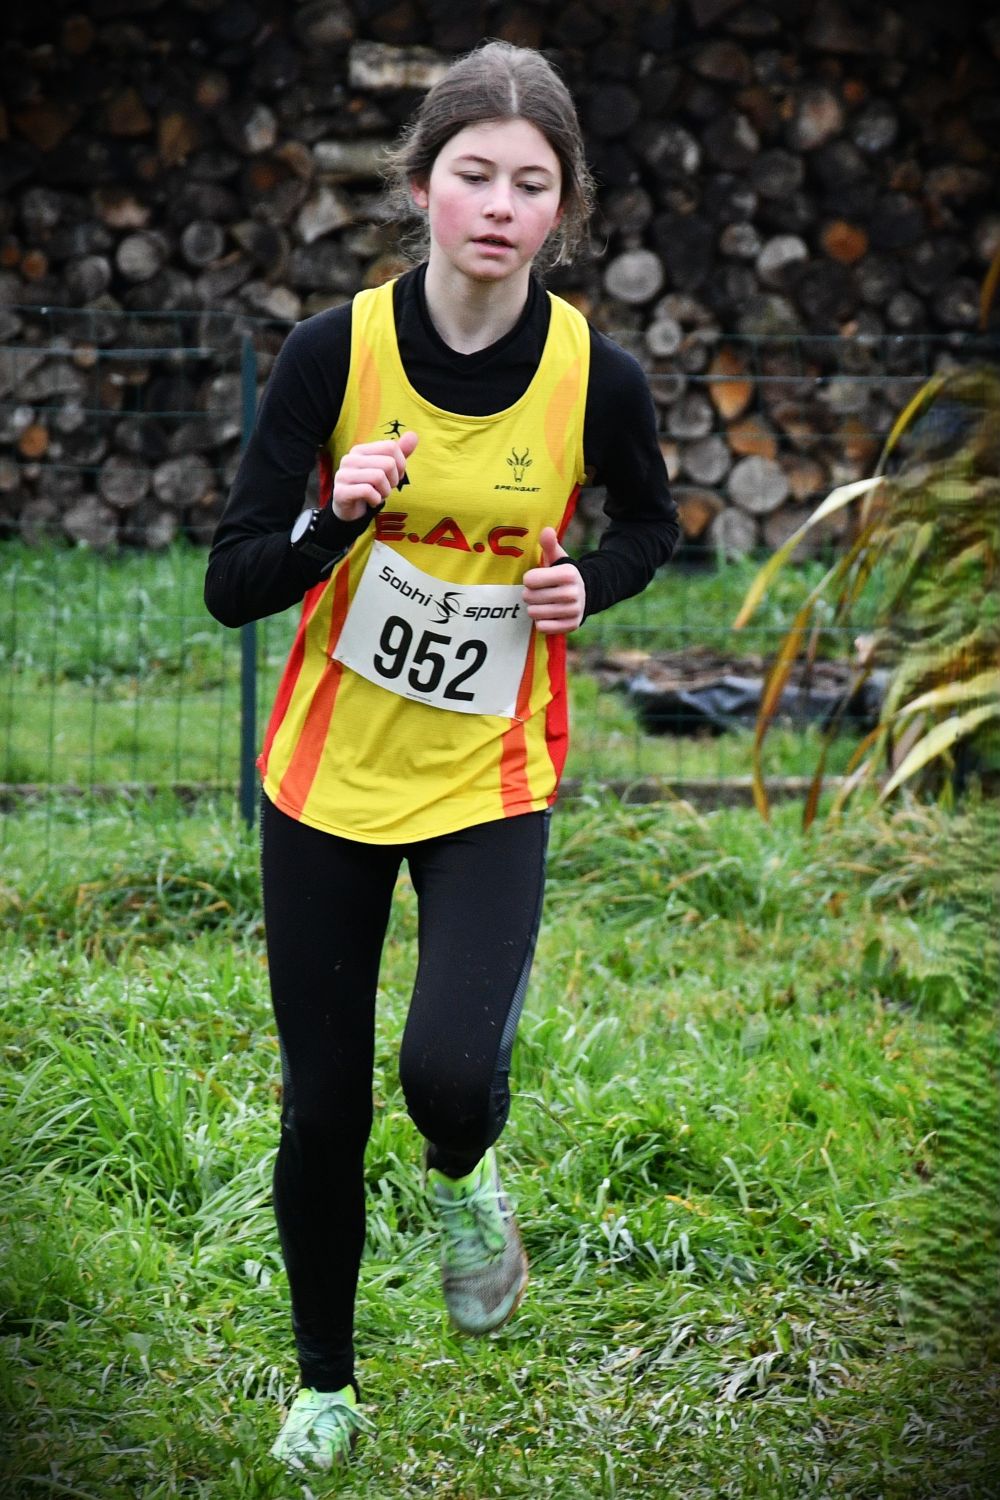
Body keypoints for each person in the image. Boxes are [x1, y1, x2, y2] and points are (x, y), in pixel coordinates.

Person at [204, 39, 679, 1472]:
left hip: (492, 773)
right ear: (423, 188)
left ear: (562, 209)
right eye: (475, 174)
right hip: (327, 779)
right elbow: (234, 579)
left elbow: (652, 527)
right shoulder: (332, 353)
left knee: (451, 1074)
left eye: (532, 184)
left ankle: (467, 1175)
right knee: (325, 1103)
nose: (501, 205)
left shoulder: (596, 375)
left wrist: (591, 584)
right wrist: (335, 519)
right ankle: (326, 1388)